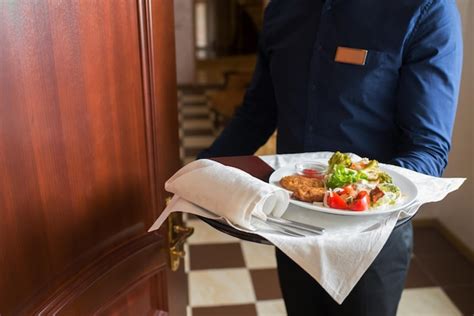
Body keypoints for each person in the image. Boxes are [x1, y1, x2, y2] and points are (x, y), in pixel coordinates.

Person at [197, 0, 463, 315]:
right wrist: (203, 169)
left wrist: (355, 192)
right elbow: (258, 113)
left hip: (369, 242)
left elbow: (428, 148)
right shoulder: (282, 9)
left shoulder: (426, 9)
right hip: (293, 228)